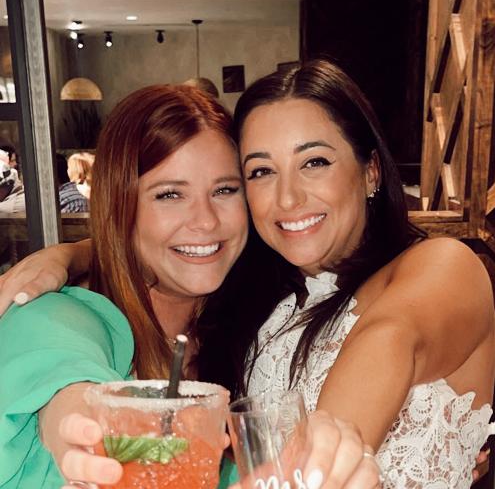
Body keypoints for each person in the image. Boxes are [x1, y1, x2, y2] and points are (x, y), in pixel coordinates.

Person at [2, 60, 492, 487]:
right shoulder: (261, 300)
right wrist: (77, 254)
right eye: (260, 172)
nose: (288, 198)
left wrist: (325, 448)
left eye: (314, 162)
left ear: (371, 171)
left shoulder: (443, 265)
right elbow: (63, 372)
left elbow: (389, 340)